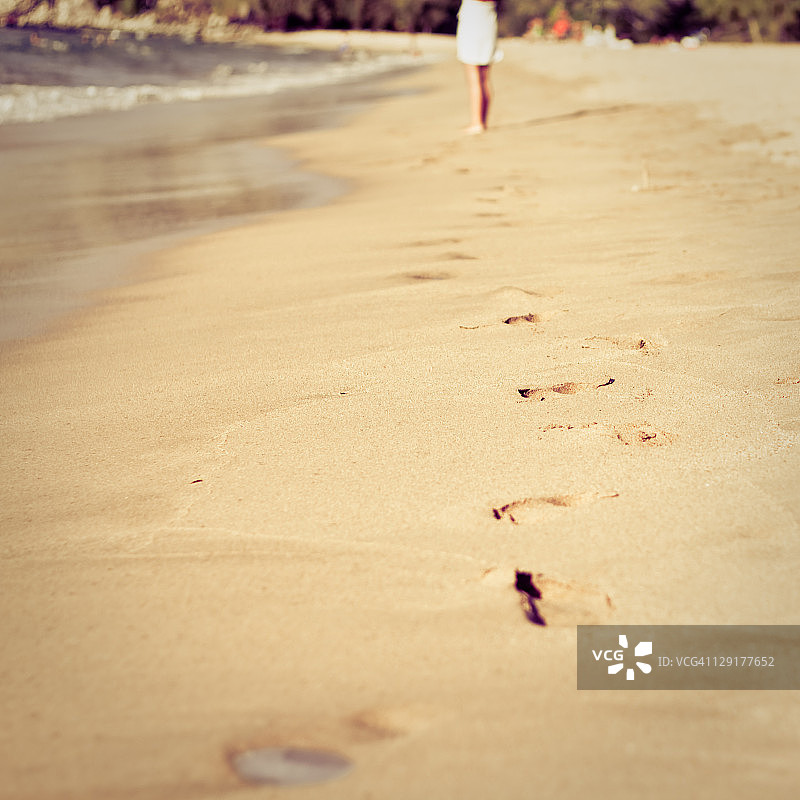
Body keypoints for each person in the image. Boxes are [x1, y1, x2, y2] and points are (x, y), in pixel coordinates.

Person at [456, 0, 499, 134]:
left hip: (473, 17)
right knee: (484, 78)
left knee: (474, 77)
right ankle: (482, 121)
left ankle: (477, 122)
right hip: (489, 17)